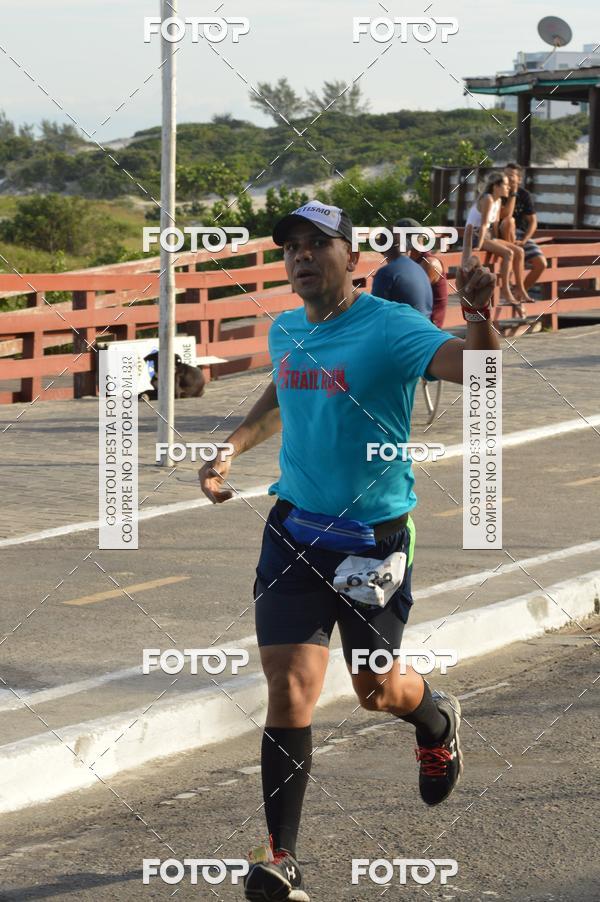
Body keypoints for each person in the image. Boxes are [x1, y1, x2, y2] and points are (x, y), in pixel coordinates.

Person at [199, 201, 499, 902]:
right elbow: (281, 396)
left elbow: (481, 372)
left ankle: (435, 718)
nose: (302, 256)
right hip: (294, 534)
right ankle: (282, 858)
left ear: (351, 258)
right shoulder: (286, 328)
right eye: (291, 247)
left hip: (373, 544)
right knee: (289, 687)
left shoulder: (391, 326)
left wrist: (480, 314)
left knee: (376, 691)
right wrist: (228, 449)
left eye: (318, 244)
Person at [465, 172, 532, 317]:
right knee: (509, 253)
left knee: (519, 251)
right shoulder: (488, 198)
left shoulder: (498, 200)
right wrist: (478, 246)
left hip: (487, 234)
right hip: (475, 235)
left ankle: (520, 289)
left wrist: (498, 241)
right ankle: (506, 291)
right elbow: (483, 224)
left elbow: (494, 225)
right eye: (506, 185)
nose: (509, 188)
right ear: (496, 186)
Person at [499, 163, 547, 293]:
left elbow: (533, 221)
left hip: (519, 234)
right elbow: (505, 216)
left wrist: (524, 240)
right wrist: (513, 194)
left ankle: (519, 292)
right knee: (509, 222)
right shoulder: (500, 191)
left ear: (519, 179)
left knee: (541, 264)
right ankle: (508, 280)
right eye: (505, 174)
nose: (507, 178)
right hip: (500, 232)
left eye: (511, 175)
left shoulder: (524, 194)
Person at [371, 221, 434, 318]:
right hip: (426, 324)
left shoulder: (386, 273)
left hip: (404, 326)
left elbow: (376, 313)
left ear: (382, 250)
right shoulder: (420, 268)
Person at [395, 216, 449, 328]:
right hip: (415, 324)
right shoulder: (410, 261)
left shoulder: (429, 264)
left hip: (428, 329)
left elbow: (410, 295)